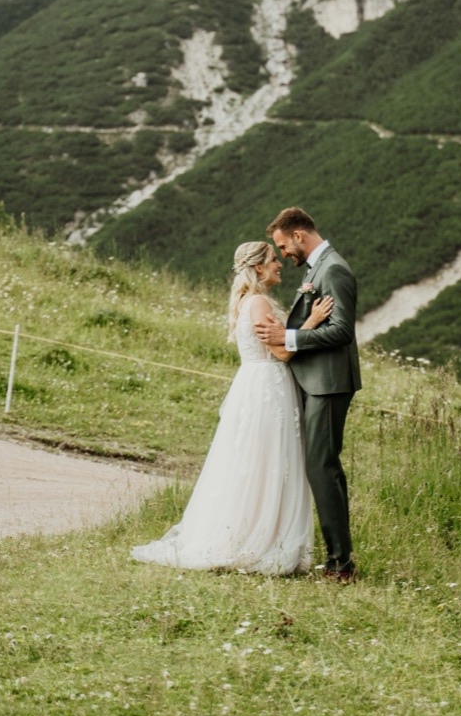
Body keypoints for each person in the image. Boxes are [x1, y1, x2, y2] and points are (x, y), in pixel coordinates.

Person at [130, 240, 332, 574]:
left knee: (255, 461)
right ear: (258, 268)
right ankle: (259, 541)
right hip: (268, 387)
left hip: (256, 386)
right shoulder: (259, 304)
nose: (279, 263)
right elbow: (282, 353)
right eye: (272, 259)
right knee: (268, 461)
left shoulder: (249, 301)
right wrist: (311, 322)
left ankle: (258, 535)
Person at [254, 206, 361, 582]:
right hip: (315, 380)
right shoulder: (318, 268)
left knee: (323, 467)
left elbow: (343, 331)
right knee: (319, 466)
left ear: (299, 235)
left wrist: (290, 337)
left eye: (283, 246)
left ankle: (340, 564)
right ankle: (335, 558)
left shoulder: (333, 269)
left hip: (329, 383)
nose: (283, 254)